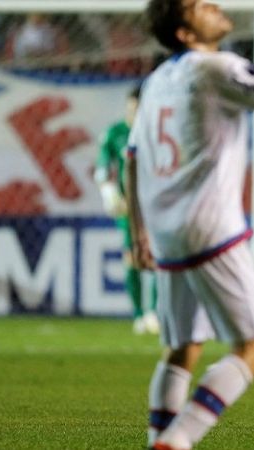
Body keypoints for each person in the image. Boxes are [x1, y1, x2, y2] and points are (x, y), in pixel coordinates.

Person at [126, 1, 254, 448]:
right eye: (200, 6)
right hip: (211, 227)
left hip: (167, 233)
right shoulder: (215, 67)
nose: (214, 6)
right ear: (185, 33)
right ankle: (176, 441)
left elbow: (132, 158)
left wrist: (140, 232)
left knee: (182, 349)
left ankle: (158, 438)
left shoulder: (156, 80)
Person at [95, 84, 160, 335]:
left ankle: (154, 312)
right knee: (132, 257)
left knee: (157, 257)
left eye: (139, 110)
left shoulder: (156, 133)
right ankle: (139, 315)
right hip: (129, 207)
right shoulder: (115, 133)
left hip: (155, 204)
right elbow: (103, 167)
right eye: (132, 109)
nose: (135, 115)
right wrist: (109, 193)